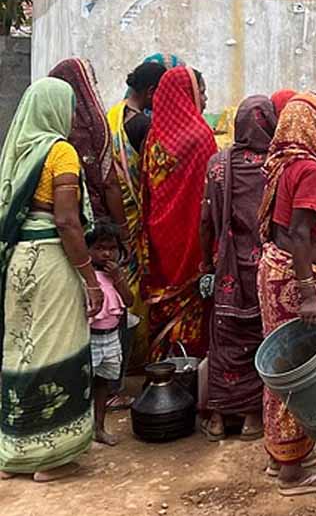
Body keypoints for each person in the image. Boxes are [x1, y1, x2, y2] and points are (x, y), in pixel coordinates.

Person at [0, 78, 102, 482]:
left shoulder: (17, 152)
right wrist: (90, 279)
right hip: (50, 264)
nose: (73, 116)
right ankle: (50, 458)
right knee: (57, 350)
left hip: (18, 262)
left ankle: (14, 450)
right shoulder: (60, 152)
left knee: (20, 350)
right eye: (70, 107)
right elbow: (66, 221)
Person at [257, 92, 316, 496]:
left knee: (283, 368)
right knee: (299, 372)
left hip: (278, 271)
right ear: (315, 127)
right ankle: (291, 473)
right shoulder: (310, 170)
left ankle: (283, 454)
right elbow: (300, 232)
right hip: (298, 279)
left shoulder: (285, 164)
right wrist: (309, 292)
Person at [199, 96, 277, 441]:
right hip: (263, 267)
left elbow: (205, 220)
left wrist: (206, 263)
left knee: (224, 338)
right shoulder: (276, 165)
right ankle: (251, 418)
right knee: (259, 337)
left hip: (227, 267)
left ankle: (217, 418)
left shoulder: (218, 165)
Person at [140, 67, 215, 359]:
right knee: (193, 309)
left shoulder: (154, 136)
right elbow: (208, 197)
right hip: (190, 240)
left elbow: (148, 190)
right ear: (187, 94)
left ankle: (159, 366)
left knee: (162, 306)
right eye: (202, 92)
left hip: (160, 239)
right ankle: (188, 369)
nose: (205, 100)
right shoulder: (200, 137)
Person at [105, 60, 166, 408]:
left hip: (114, 219)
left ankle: (114, 367)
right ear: (152, 92)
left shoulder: (113, 117)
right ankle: (134, 361)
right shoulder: (142, 125)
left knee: (114, 291)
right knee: (131, 295)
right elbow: (154, 175)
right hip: (134, 220)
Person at [47, 58, 123, 224]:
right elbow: (109, 182)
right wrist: (123, 228)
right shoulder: (94, 126)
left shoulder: (43, 128)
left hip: (51, 218)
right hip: (93, 219)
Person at [86, 220, 132, 447]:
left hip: (111, 336)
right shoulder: (85, 276)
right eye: (100, 248)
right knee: (83, 384)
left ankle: (99, 428)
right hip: (89, 338)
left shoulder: (115, 274)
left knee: (103, 383)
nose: (106, 254)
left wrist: (118, 277)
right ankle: (81, 431)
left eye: (112, 248)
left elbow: (129, 300)